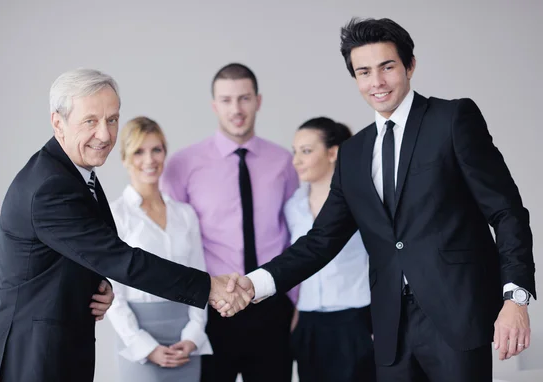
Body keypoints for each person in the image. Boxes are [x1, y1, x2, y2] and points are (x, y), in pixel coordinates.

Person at [221, 18, 536, 382]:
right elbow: (321, 240)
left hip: (456, 318)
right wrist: (257, 283)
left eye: (387, 67)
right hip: (389, 327)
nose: (377, 82)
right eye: (364, 72)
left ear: (409, 65)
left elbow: (506, 210)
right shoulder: (353, 154)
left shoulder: (452, 120)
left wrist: (515, 298)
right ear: (355, 78)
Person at [0, 68, 251, 382]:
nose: (105, 135)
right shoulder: (51, 187)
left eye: (112, 119)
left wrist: (96, 285)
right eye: (90, 121)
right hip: (31, 357)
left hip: (57, 349)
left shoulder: (75, 174)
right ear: (58, 122)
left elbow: (79, 251)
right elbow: (120, 258)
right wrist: (209, 286)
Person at [161, 63, 299, 382]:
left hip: (271, 306)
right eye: (226, 100)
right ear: (214, 105)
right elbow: (174, 239)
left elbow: (297, 233)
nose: (236, 109)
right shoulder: (183, 165)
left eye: (244, 98)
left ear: (258, 101)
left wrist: (295, 302)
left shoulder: (284, 162)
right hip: (212, 307)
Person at [107, 116, 212, 381]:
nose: (150, 159)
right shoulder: (115, 215)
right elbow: (112, 293)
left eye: (156, 149)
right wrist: (145, 346)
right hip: (138, 338)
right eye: (139, 151)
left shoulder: (185, 214)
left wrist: (193, 335)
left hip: (185, 338)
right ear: (125, 158)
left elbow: (199, 278)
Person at [287, 117, 375, 382]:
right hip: (309, 322)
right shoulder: (293, 206)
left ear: (333, 152)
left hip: (355, 320)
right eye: (295, 152)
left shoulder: (361, 201)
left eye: (306, 151)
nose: (296, 161)